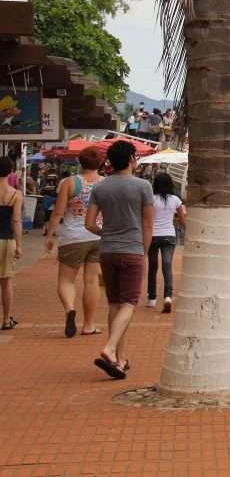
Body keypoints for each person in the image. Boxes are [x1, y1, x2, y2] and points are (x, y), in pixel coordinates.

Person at [85, 140, 154, 379]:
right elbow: (147, 224)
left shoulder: (101, 187)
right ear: (132, 159)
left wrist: (107, 234)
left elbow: (89, 223)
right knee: (130, 303)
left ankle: (118, 359)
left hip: (107, 251)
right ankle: (110, 347)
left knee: (115, 303)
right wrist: (143, 252)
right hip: (132, 250)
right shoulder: (143, 186)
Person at [45, 146, 104, 337]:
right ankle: (89, 325)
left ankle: (70, 309)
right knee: (92, 281)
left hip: (73, 237)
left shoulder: (69, 183)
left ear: (80, 162)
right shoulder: (106, 184)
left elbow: (58, 212)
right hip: (98, 235)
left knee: (66, 281)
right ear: (101, 163)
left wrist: (50, 235)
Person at [147, 173, 185, 313]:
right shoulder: (175, 200)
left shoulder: (151, 199)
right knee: (167, 265)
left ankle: (152, 298)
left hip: (153, 236)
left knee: (152, 266)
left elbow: (147, 218)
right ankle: (168, 297)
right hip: (169, 235)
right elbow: (182, 219)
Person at [0, 158, 22, 331]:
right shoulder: (15, 194)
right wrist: (19, 245)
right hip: (7, 240)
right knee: (6, 282)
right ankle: (6, 319)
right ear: (10, 172)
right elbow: (16, 221)